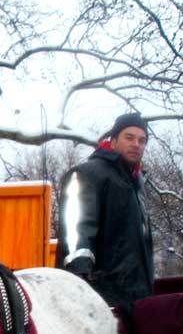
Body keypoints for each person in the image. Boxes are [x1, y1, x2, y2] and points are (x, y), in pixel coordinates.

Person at [59, 113, 156, 312]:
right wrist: (81, 283)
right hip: (102, 300)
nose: (136, 144)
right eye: (129, 137)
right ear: (113, 141)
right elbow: (76, 231)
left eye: (142, 140)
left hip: (137, 298)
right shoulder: (87, 173)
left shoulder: (137, 184)